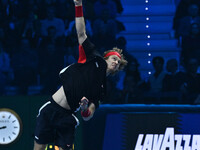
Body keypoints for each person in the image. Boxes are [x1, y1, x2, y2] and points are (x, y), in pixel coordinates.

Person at [33, 0, 127, 149]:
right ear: (106, 58)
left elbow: (89, 115)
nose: (116, 62)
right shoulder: (91, 58)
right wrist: (78, 6)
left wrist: (84, 109)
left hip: (68, 118)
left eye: (118, 62)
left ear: (116, 71)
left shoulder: (102, 89)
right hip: (51, 109)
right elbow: (81, 33)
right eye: (114, 58)